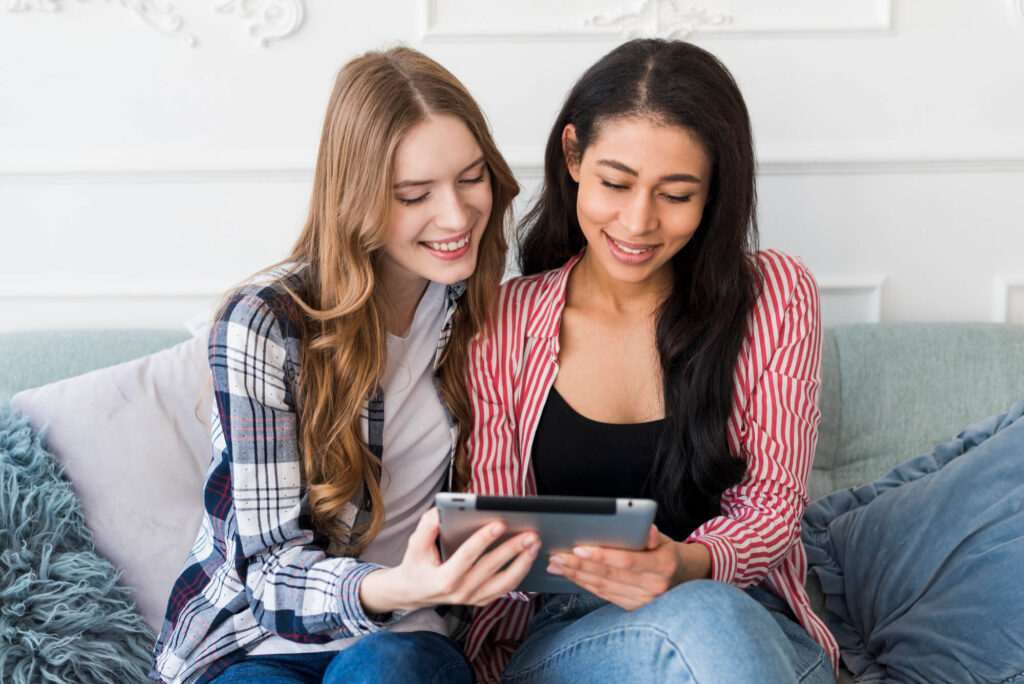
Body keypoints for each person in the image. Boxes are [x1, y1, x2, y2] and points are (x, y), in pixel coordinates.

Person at [150, 46, 541, 684]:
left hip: (406, 644)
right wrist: (393, 585)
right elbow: (270, 574)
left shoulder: (493, 312)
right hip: (257, 641)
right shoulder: (264, 324)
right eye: (415, 194)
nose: (456, 214)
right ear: (356, 198)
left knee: (386, 668)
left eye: (471, 178)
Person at [464, 39, 839, 683]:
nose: (638, 223)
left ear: (715, 190)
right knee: (702, 624)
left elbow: (773, 504)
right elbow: (498, 532)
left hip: (747, 617)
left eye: (677, 194)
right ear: (574, 155)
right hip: (570, 634)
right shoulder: (503, 321)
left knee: (711, 617)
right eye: (615, 182)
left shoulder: (775, 294)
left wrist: (686, 566)